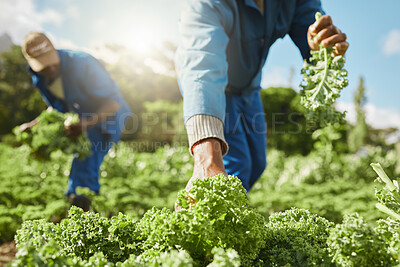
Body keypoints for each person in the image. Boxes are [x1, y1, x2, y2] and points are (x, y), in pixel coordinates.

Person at [175, 1, 348, 195]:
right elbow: (202, 65)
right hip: (213, 88)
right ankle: (213, 218)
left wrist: (322, 44)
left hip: (250, 88)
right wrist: (207, 158)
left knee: (257, 163)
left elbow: (310, 28)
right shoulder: (206, 4)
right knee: (237, 165)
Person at [20, 32, 131, 211]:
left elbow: (113, 102)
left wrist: (86, 124)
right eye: (44, 67)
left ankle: (80, 221)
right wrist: (33, 125)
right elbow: (56, 108)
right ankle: (87, 216)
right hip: (80, 119)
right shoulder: (39, 78)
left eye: (52, 63)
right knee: (81, 165)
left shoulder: (83, 63)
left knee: (84, 164)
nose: (50, 70)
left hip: (106, 117)